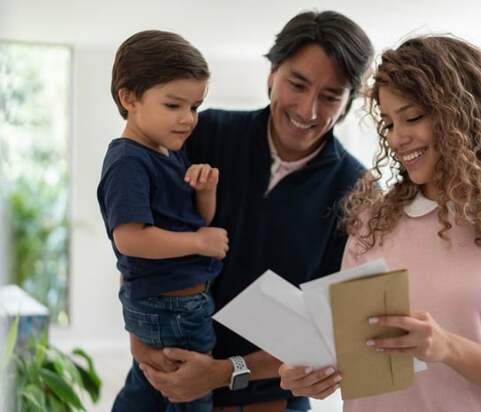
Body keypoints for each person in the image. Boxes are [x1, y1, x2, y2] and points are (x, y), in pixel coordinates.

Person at [279, 35, 481, 411]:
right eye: (387, 123)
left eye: (413, 117)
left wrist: (448, 347)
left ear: (463, 115)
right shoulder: (372, 223)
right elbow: (358, 364)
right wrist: (314, 376)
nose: (397, 138)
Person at [132, 11, 375, 412]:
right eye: (297, 84)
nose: (309, 110)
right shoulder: (205, 133)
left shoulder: (359, 192)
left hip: (269, 400)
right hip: (161, 379)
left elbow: (336, 333)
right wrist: (140, 342)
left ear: (349, 102)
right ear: (272, 73)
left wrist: (223, 371)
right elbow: (138, 238)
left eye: (331, 96)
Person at [97, 30, 229, 412]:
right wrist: (198, 244)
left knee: (150, 386)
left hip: (182, 303)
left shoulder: (167, 152)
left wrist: (205, 191)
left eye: (195, 107)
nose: (188, 119)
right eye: (174, 105)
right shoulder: (128, 162)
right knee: (187, 393)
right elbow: (130, 238)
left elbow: (195, 220)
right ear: (129, 97)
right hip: (169, 309)